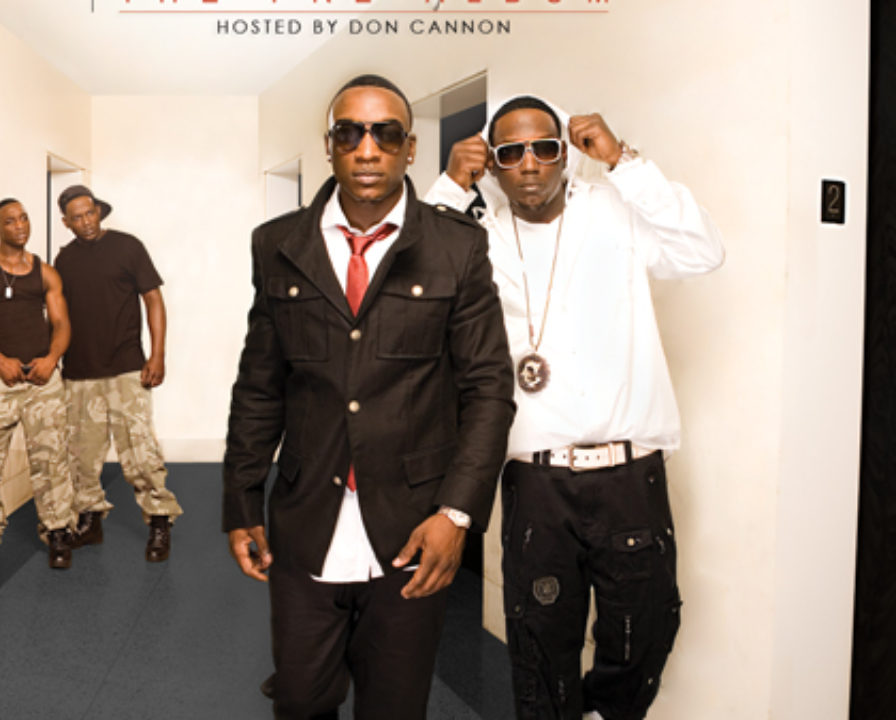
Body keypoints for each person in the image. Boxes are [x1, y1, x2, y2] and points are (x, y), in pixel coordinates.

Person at [223, 74, 516, 719]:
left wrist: (456, 515)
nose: (367, 149)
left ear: (410, 148)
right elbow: (260, 385)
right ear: (329, 144)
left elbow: (489, 390)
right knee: (300, 701)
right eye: (350, 133)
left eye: (385, 134)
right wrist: (240, 498)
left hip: (413, 527)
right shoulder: (277, 244)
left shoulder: (457, 246)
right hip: (306, 520)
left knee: (394, 706)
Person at [425, 95, 725, 720]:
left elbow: (703, 251)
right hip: (537, 482)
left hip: (629, 474)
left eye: (544, 148)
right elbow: (414, 287)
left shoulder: (616, 209)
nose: (529, 163)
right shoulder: (478, 238)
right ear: (493, 164)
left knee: (645, 631)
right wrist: (450, 187)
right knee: (539, 645)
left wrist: (624, 162)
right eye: (511, 152)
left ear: (565, 153)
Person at [53, 185, 183, 562]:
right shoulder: (64, 259)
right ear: (66, 222)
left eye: (90, 212)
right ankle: (90, 520)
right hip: (79, 372)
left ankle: (159, 521)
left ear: (99, 211)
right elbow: (59, 315)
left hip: (126, 367)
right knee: (81, 456)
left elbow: (153, 299)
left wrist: (157, 354)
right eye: (77, 217)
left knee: (140, 454)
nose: (86, 221)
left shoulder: (128, 247)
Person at [0, 198, 77, 571]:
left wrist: (51, 359)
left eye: (24, 218)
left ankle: (58, 532)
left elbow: (62, 324)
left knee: (52, 459)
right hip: (0, 380)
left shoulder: (46, 273)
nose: (20, 225)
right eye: (10, 221)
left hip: (43, 380)